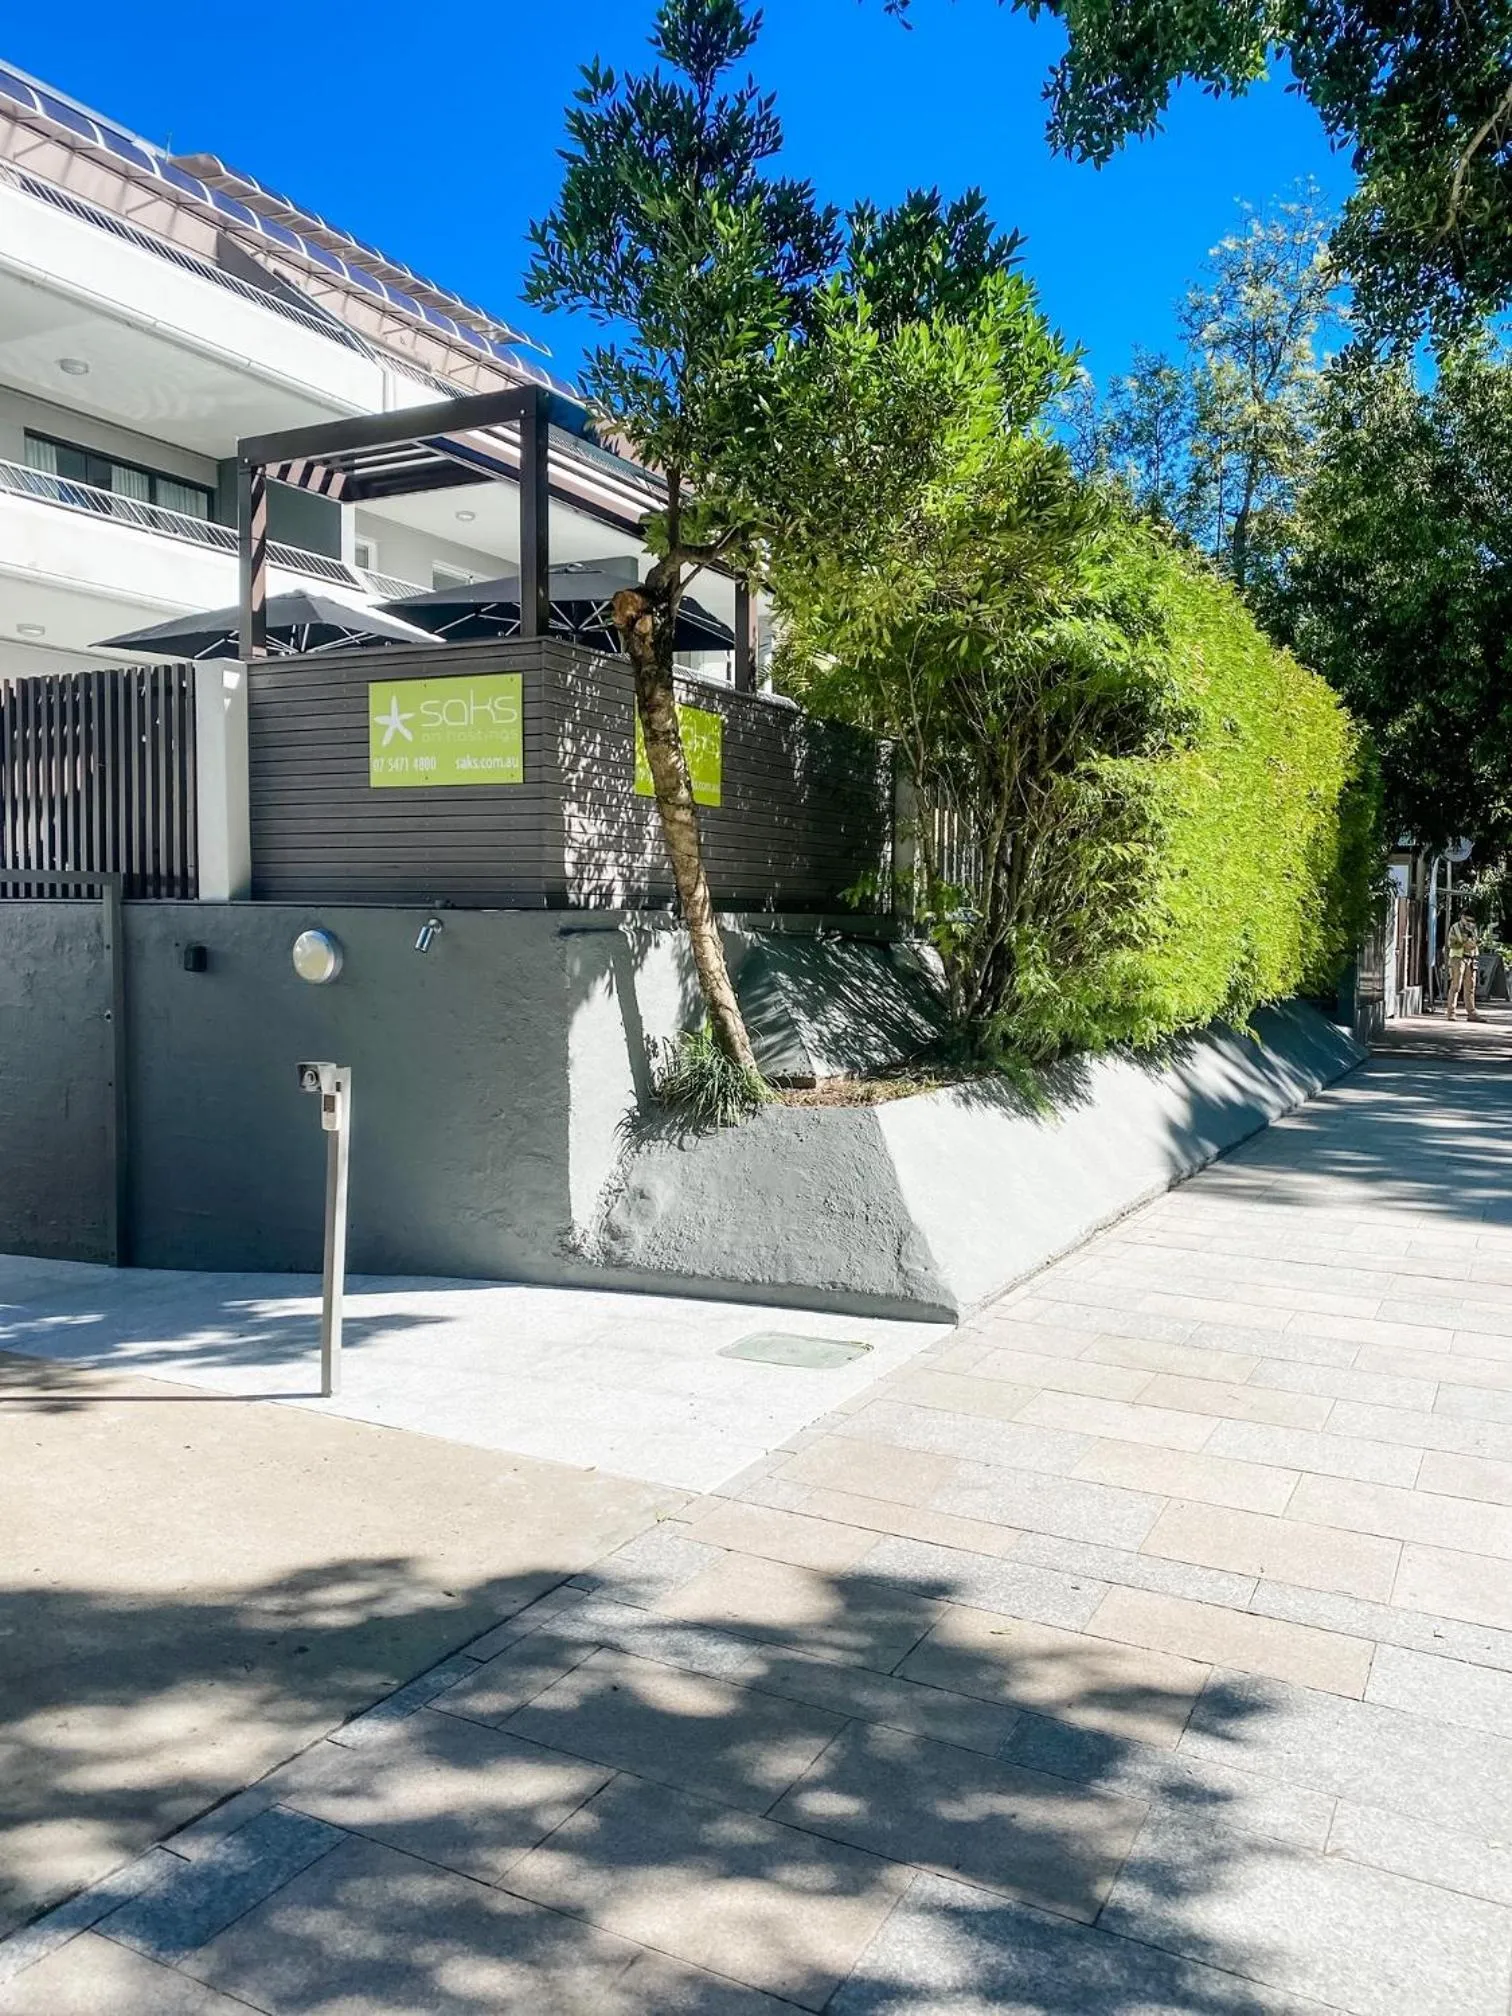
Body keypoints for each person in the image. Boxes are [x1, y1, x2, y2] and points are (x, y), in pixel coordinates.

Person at [1446, 913, 1481, 1020]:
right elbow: (1451, 943)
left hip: (1471, 958)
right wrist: (1464, 943)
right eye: (1467, 920)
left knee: (1470, 987)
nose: (1470, 923)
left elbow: (1477, 941)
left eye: (1472, 920)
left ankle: (1472, 1013)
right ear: (1462, 918)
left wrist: (1476, 943)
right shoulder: (1455, 927)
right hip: (1458, 958)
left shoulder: (1474, 928)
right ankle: (1451, 1012)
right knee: (1456, 985)